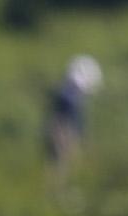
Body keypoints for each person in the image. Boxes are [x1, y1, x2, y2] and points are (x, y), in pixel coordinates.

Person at [45, 54, 103, 193]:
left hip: (64, 133)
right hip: (64, 134)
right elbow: (71, 120)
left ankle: (59, 192)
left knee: (62, 166)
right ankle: (58, 193)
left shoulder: (67, 93)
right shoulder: (68, 95)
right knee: (62, 165)